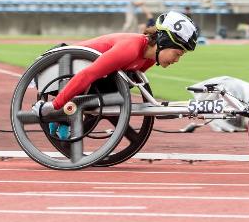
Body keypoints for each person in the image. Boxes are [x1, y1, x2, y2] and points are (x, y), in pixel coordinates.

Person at [32, 11, 198, 136]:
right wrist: (53, 106)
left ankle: (64, 119)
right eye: (177, 54)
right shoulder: (130, 49)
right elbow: (87, 75)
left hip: (84, 79)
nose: (176, 60)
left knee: (118, 88)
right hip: (60, 68)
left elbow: (120, 86)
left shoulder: (149, 58)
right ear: (163, 42)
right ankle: (60, 117)